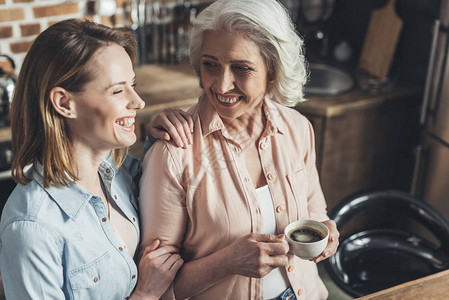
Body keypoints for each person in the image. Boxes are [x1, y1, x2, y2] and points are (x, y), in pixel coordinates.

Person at [139, 0, 340, 299]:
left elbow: (315, 212)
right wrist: (227, 262)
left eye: (241, 68)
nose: (221, 85)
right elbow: (155, 287)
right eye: (210, 65)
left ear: (273, 69)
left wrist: (327, 230)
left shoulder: (298, 128)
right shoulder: (173, 151)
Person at [0, 19, 193, 300]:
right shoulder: (32, 227)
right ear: (65, 103)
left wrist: (158, 142)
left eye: (132, 85)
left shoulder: (121, 171)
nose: (138, 102)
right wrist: (145, 295)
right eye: (117, 90)